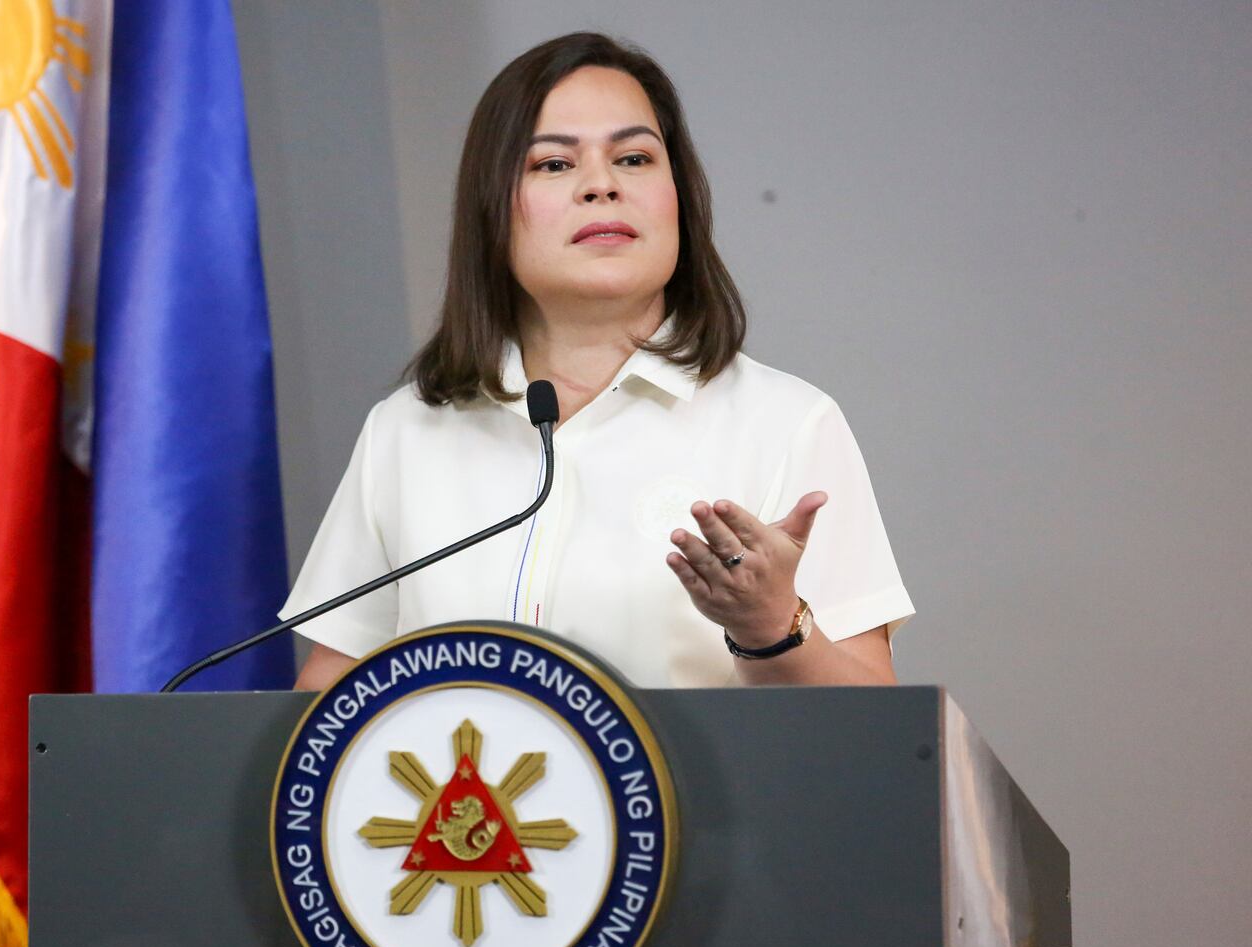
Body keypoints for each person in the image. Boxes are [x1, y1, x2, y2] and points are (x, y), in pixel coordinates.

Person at [283, 32, 913, 695]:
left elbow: (871, 732)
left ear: (681, 199)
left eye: (635, 157)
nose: (602, 185)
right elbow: (328, 704)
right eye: (554, 165)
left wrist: (771, 627)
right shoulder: (406, 432)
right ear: (493, 210)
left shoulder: (786, 424)